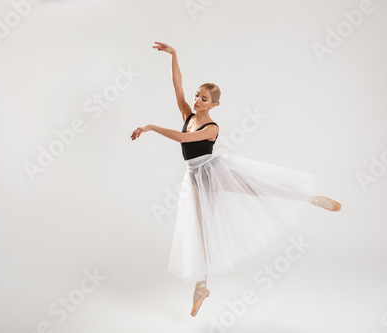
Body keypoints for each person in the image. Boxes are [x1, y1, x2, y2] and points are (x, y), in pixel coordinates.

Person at [131, 42, 341, 317]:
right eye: (197, 96)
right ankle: (202, 286)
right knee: (202, 231)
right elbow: (177, 85)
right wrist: (174, 55)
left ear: (214, 105)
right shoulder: (188, 115)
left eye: (203, 99)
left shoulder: (211, 128)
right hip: (194, 178)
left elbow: (183, 139)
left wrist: (149, 127)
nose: (196, 100)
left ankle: (310, 198)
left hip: (214, 171)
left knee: (263, 190)